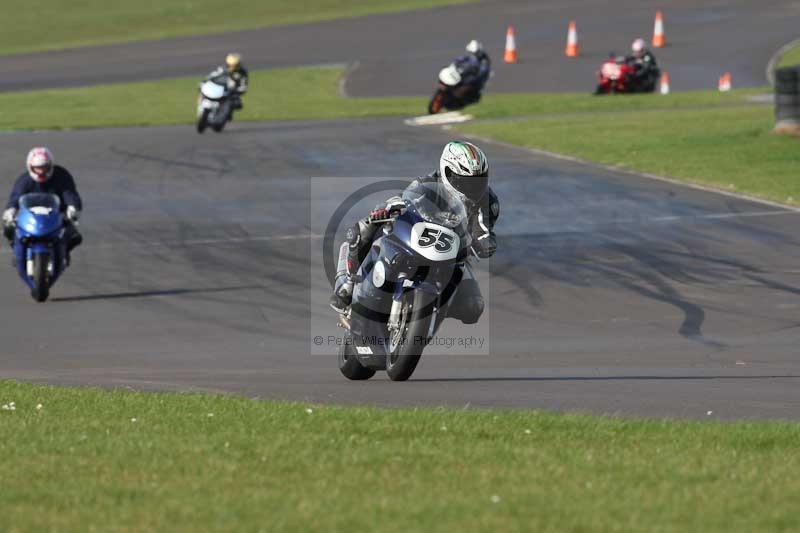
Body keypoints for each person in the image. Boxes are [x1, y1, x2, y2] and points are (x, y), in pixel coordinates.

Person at [330, 141, 500, 325]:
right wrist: (388, 210)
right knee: (365, 226)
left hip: (454, 253)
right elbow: (406, 202)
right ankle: (347, 284)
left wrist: (484, 241)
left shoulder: (488, 202)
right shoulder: (427, 184)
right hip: (418, 237)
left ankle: (434, 312)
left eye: (478, 180)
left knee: (473, 307)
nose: (472, 187)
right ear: (447, 172)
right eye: (465, 181)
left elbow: (483, 229)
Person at [3, 147, 83, 260]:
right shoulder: (24, 180)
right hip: (30, 217)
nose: (41, 171)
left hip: (56, 215)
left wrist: (72, 206)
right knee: (8, 229)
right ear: (30, 167)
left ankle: (64, 253)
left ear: (50, 165)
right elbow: (16, 197)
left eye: (44, 167)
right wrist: (11, 210)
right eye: (37, 168)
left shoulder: (61, 175)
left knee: (75, 237)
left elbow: (69, 193)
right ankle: (18, 252)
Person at [453, 40, 492, 104]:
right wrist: (456, 62)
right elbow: (463, 58)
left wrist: (474, 74)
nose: (472, 54)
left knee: (468, 84)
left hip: (477, 77)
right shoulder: (472, 55)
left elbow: (482, 71)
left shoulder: (484, 60)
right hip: (469, 71)